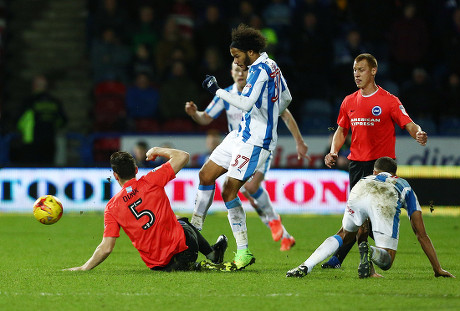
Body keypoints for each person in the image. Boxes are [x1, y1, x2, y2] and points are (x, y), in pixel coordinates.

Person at [195, 23, 293, 269]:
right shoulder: (272, 66)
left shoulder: (260, 70)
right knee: (205, 175)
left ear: (250, 52)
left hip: (256, 141)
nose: (236, 62)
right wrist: (271, 114)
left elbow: (246, 103)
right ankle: (195, 230)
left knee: (229, 190)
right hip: (240, 134)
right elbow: (287, 97)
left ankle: (243, 251)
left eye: (237, 56)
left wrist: (217, 90)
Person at [185, 62, 309, 251]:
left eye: (243, 70)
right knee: (237, 191)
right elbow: (205, 118)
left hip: (258, 146)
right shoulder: (226, 95)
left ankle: (272, 223)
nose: (240, 74)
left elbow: (285, 114)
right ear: (231, 73)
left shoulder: (260, 91)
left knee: (249, 187)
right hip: (235, 147)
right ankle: (283, 234)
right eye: (236, 70)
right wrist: (194, 114)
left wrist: (299, 142)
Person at [322, 53, 428, 269]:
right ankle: (354, 258)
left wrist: (418, 133)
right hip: (357, 165)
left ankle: (346, 260)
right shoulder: (349, 101)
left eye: (361, 69)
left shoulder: (389, 101)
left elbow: (408, 123)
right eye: (354, 70)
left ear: (373, 71)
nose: (356, 74)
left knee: (365, 221)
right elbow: (341, 130)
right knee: (357, 218)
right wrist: (334, 151)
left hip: (380, 168)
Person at [64, 147, 231, 272]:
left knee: (176, 218)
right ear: (136, 170)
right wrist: (157, 150)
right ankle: (211, 255)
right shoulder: (151, 180)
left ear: (115, 175)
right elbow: (183, 156)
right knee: (180, 220)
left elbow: (106, 247)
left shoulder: (112, 207)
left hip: (159, 266)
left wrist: (84, 268)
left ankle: (197, 264)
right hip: (185, 250)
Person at [286, 157, 455, 279]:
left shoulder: (368, 177)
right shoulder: (403, 184)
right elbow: (421, 234)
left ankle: (306, 265)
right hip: (385, 196)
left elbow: (362, 228)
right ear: (394, 173)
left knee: (345, 234)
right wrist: (437, 268)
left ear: (375, 171)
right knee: (387, 261)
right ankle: (371, 251)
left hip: (360, 188)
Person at [14, 75, 67, 166]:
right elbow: (63, 121)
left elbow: (18, 121)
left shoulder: (29, 101)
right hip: (49, 142)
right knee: (46, 170)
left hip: (31, 144)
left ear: (34, 86)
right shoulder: (55, 102)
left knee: (30, 172)